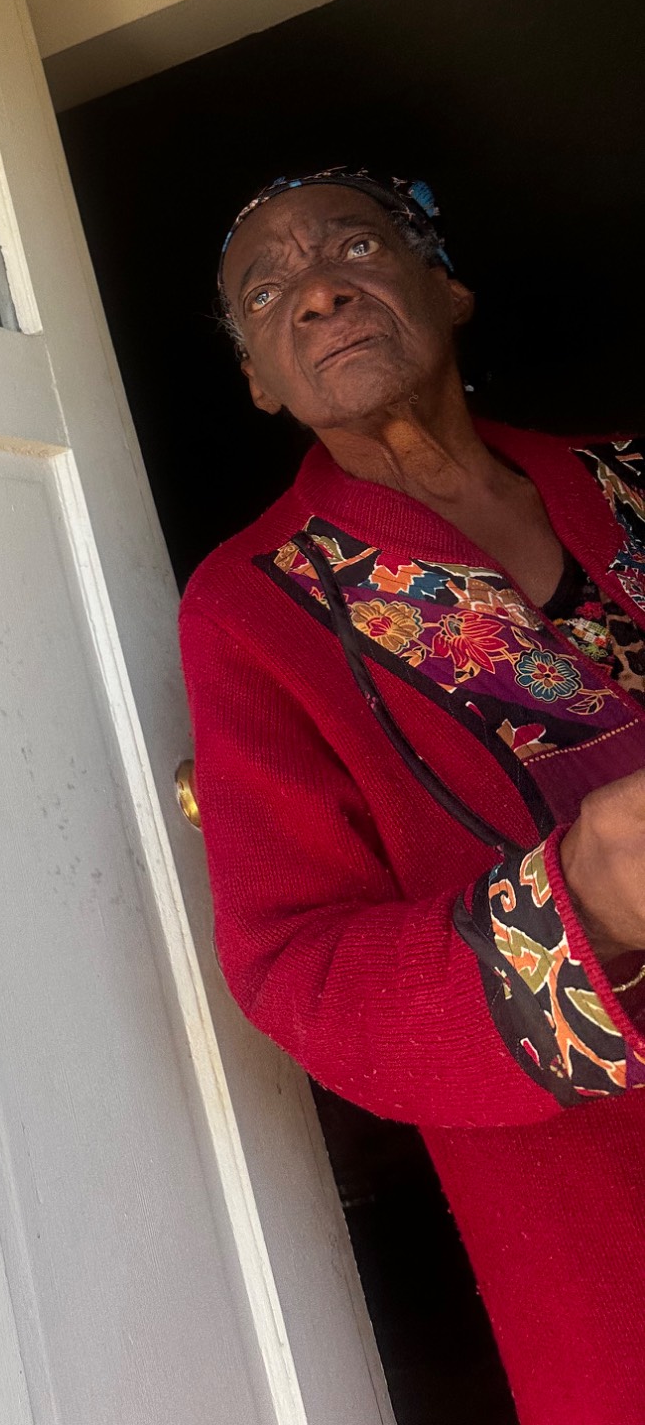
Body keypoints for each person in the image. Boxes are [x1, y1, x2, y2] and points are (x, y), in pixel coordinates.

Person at [179, 168, 645, 1425]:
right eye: (267, 292)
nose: (318, 290)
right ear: (260, 381)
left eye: (354, 247)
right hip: (609, 1194)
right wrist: (583, 905)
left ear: (447, 288)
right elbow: (295, 963)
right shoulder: (254, 604)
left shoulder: (628, 477)